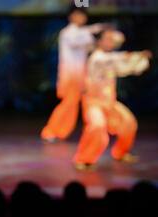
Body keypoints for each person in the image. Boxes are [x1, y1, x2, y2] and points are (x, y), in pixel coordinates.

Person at [73, 30, 152, 170]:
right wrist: (136, 55)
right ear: (99, 41)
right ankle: (83, 159)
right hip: (94, 103)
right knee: (97, 126)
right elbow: (115, 60)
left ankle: (121, 153)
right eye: (107, 39)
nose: (111, 42)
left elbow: (124, 69)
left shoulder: (109, 58)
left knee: (129, 123)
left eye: (112, 40)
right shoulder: (97, 58)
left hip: (109, 102)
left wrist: (140, 63)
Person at [41, 6, 110, 141]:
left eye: (83, 15)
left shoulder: (82, 31)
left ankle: (63, 131)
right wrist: (97, 31)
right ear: (71, 16)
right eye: (78, 15)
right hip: (70, 74)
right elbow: (81, 40)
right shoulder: (68, 32)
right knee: (69, 103)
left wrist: (97, 30)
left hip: (81, 74)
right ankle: (50, 131)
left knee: (78, 104)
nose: (81, 18)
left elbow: (89, 40)